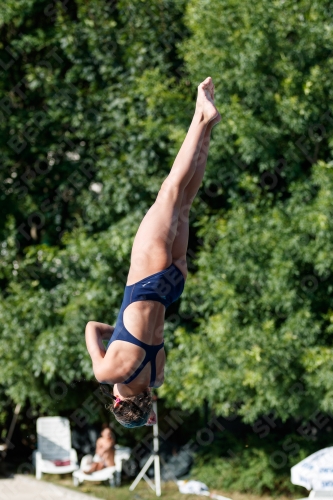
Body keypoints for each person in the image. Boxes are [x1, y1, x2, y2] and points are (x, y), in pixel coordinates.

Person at [85, 77, 220, 428]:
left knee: (185, 203)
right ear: (116, 400)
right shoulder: (107, 370)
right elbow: (90, 327)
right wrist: (110, 333)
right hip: (146, 279)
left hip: (172, 283)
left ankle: (207, 127)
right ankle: (200, 117)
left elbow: (142, 343)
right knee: (170, 190)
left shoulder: (156, 375)